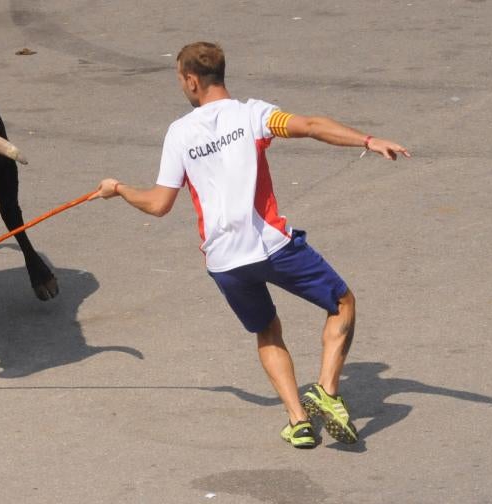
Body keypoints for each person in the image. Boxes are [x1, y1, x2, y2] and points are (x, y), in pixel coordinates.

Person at [92, 42, 410, 448]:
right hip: (271, 248)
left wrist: (117, 189)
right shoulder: (254, 115)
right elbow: (311, 125)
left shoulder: (179, 133)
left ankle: (298, 420)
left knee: (267, 330)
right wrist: (366, 140)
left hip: (224, 262)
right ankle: (327, 393)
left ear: (191, 80)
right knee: (343, 302)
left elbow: (157, 204)